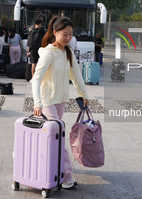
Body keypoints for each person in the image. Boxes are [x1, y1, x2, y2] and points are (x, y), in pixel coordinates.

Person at [32, 16, 89, 189]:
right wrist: (37, 103)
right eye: (65, 34)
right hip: (47, 101)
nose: (68, 37)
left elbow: (76, 75)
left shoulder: (68, 52)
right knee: (59, 137)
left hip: (61, 101)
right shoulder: (49, 53)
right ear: (55, 32)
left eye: (71, 34)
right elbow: (37, 79)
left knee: (52, 137)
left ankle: (43, 166)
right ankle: (66, 176)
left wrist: (83, 93)